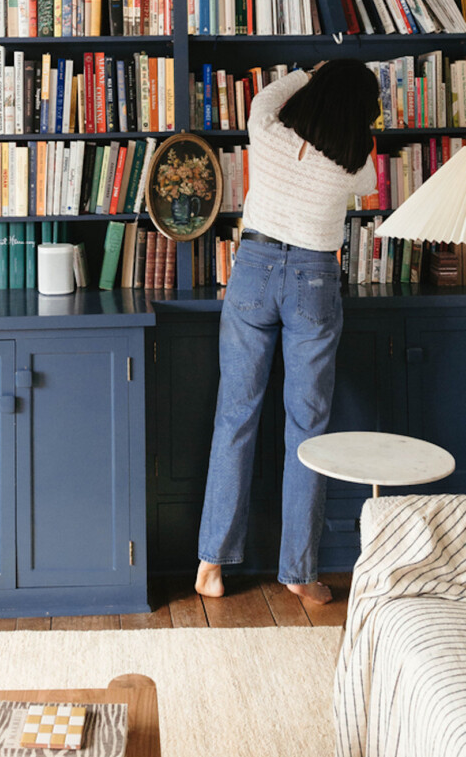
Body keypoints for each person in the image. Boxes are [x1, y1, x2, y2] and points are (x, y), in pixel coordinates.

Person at [195, 59, 381, 604]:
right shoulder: (354, 163)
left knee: (235, 417)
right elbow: (368, 185)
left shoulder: (265, 129)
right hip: (313, 280)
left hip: (252, 266)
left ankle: (211, 565)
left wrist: (311, 71)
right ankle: (299, 571)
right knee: (307, 428)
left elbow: (268, 96)